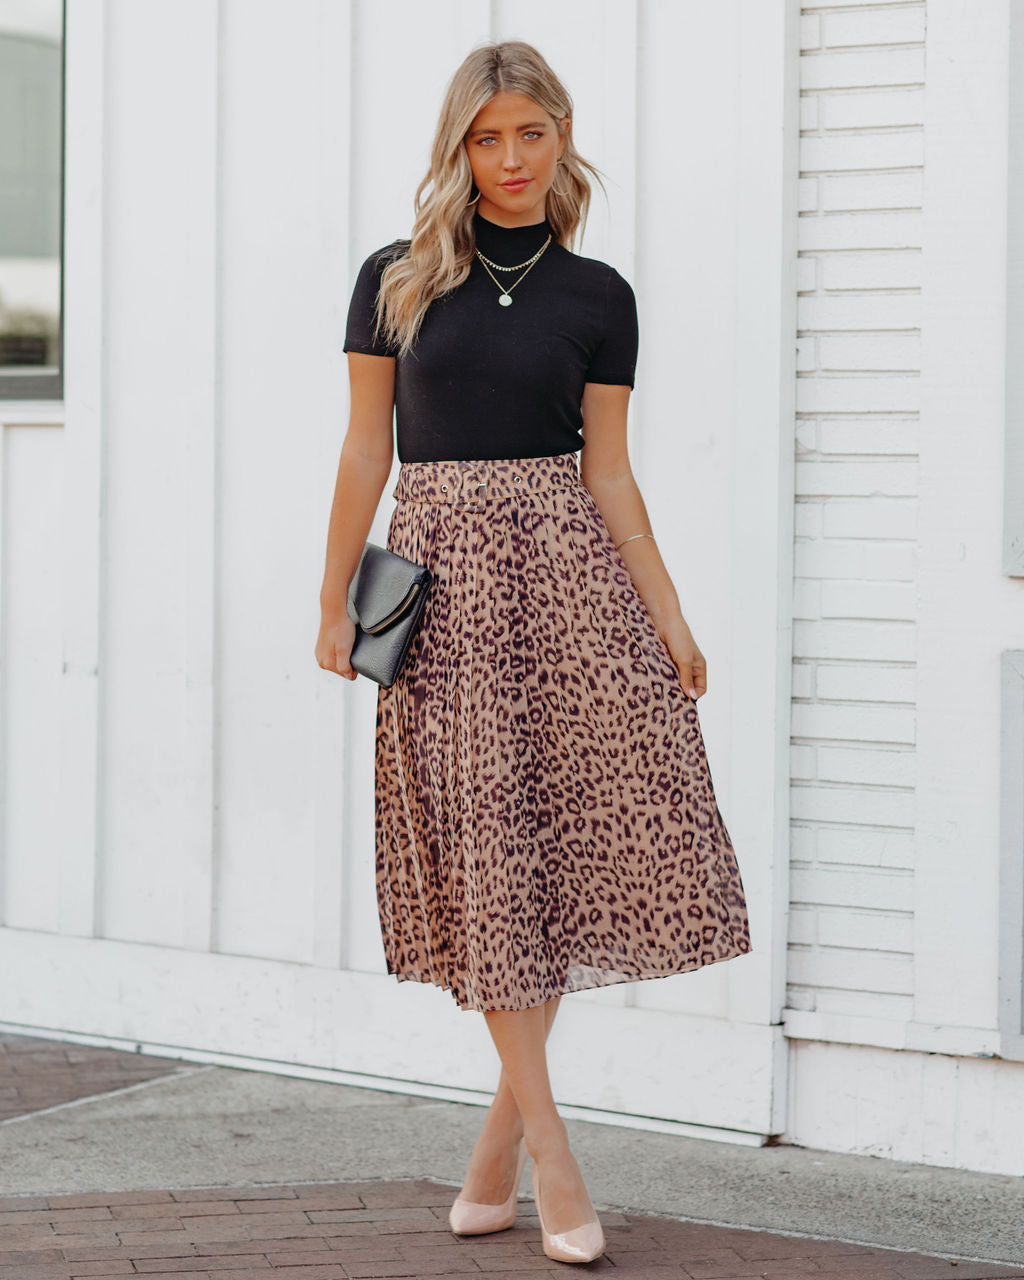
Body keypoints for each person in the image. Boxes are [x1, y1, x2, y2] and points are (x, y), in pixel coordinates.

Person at [316, 39, 752, 1266]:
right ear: (457, 147)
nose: (510, 159)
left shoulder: (599, 295)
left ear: (561, 137)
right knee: (490, 857)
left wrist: (668, 615)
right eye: (486, 137)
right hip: (445, 594)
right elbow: (366, 449)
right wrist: (333, 597)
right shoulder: (395, 279)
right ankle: (553, 1153)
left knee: (554, 854)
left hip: (573, 586)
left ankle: (494, 1155)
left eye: (531, 134)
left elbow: (608, 472)